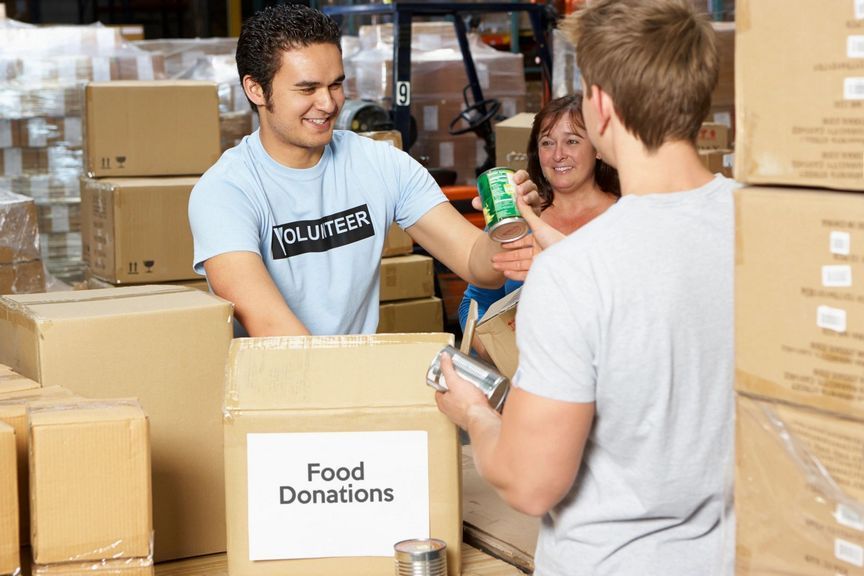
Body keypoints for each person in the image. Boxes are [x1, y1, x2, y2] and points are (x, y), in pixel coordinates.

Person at [435, 1, 739, 575]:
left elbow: (531, 484)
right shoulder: (762, 224)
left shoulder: (574, 276)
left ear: (599, 105)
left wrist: (474, 413)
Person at [187, 4, 539, 337]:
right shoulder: (225, 191)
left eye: (335, 85)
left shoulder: (381, 163)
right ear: (256, 90)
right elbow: (270, 328)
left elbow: (476, 264)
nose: (328, 104)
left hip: (353, 374)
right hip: (274, 384)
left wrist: (509, 228)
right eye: (307, 89)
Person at [457, 94, 619, 354]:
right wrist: (495, 352)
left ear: (598, 148)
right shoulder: (516, 217)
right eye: (547, 143)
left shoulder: (623, 216)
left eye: (572, 141)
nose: (558, 155)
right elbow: (474, 302)